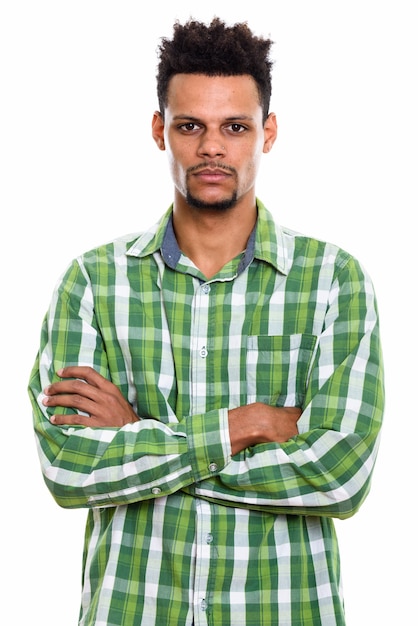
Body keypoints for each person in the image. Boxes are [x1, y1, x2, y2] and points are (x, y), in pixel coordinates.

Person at [28, 17, 384, 626]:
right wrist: (245, 425)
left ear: (266, 133)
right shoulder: (92, 281)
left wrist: (140, 434)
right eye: (190, 126)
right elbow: (67, 467)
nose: (212, 147)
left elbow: (338, 477)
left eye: (234, 127)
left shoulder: (333, 281)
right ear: (159, 130)